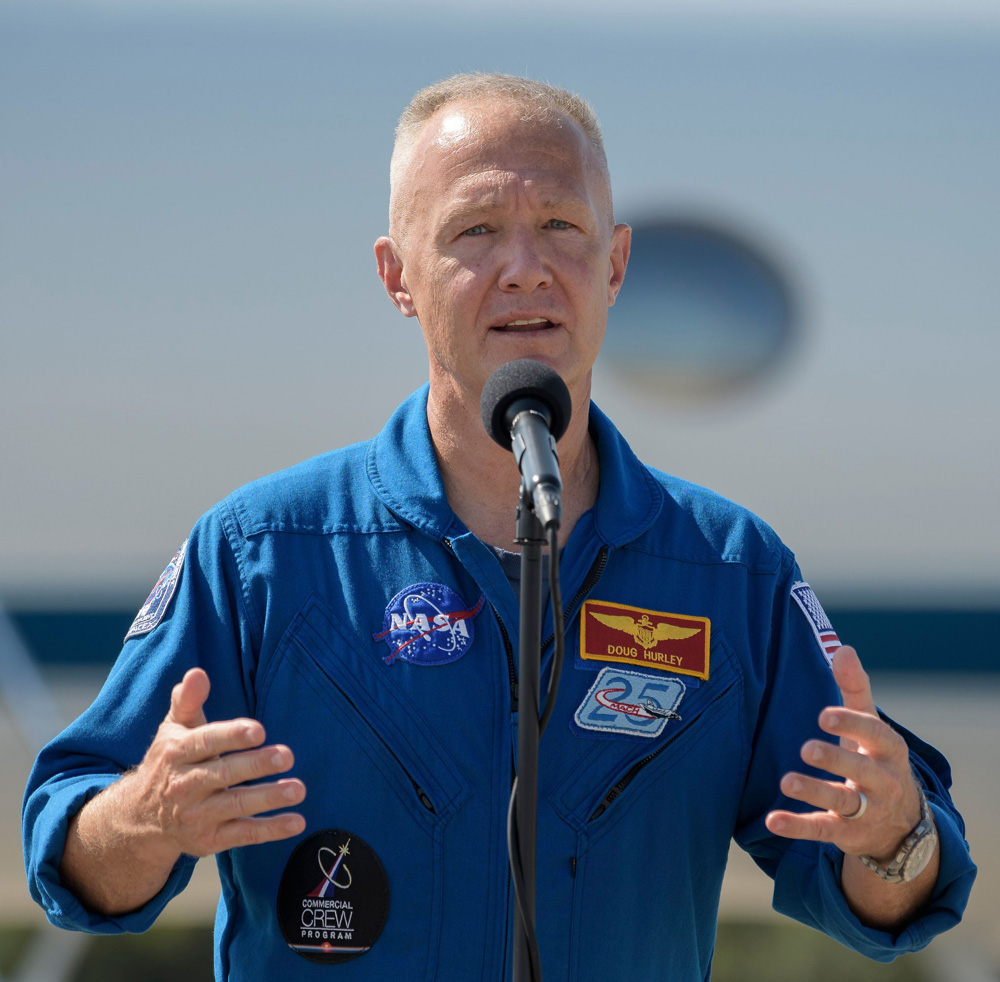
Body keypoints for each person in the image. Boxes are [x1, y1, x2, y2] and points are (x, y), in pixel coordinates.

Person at [23, 74, 975, 980]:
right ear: (399, 277)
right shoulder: (264, 554)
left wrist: (896, 835)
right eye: (475, 230)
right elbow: (71, 857)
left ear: (615, 264)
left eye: (561, 226)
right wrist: (145, 818)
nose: (527, 269)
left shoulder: (728, 570)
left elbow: (889, 902)